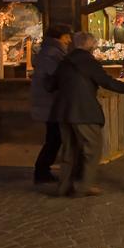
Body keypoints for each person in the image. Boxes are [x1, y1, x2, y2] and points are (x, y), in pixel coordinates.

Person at [49, 32, 124, 196]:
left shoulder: (65, 61)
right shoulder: (89, 62)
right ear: (89, 45)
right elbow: (106, 81)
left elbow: (51, 85)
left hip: (63, 112)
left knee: (68, 150)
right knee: (92, 148)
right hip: (84, 112)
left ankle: (63, 186)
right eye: (94, 44)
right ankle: (84, 186)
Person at [30, 24, 73, 184]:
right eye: (67, 36)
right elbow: (58, 76)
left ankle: (42, 171)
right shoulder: (52, 53)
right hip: (50, 103)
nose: (69, 40)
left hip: (51, 103)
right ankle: (41, 171)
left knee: (54, 138)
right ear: (60, 37)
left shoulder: (50, 51)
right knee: (54, 138)